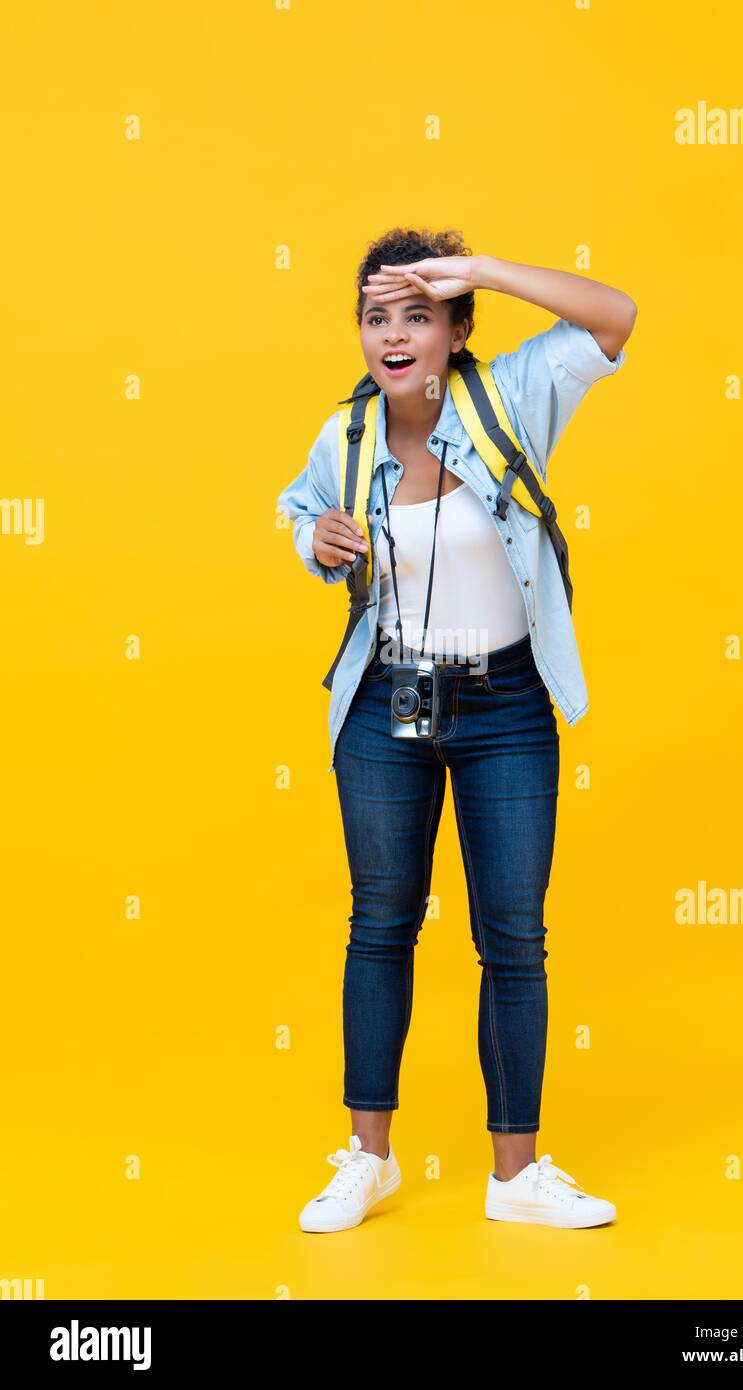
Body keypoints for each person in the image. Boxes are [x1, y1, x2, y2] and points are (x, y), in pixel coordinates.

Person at [276, 227, 636, 1231]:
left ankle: (515, 1174)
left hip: (507, 706)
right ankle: (368, 1157)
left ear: (457, 330)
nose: (391, 336)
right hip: (388, 703)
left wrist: (476, 269)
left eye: (416, 314)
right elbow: (296, 511)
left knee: (513, 936)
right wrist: (316, 538)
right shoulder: (342, 438)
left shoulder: (514, 396)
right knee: (379, 925)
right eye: (374, 315)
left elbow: (615, 317)